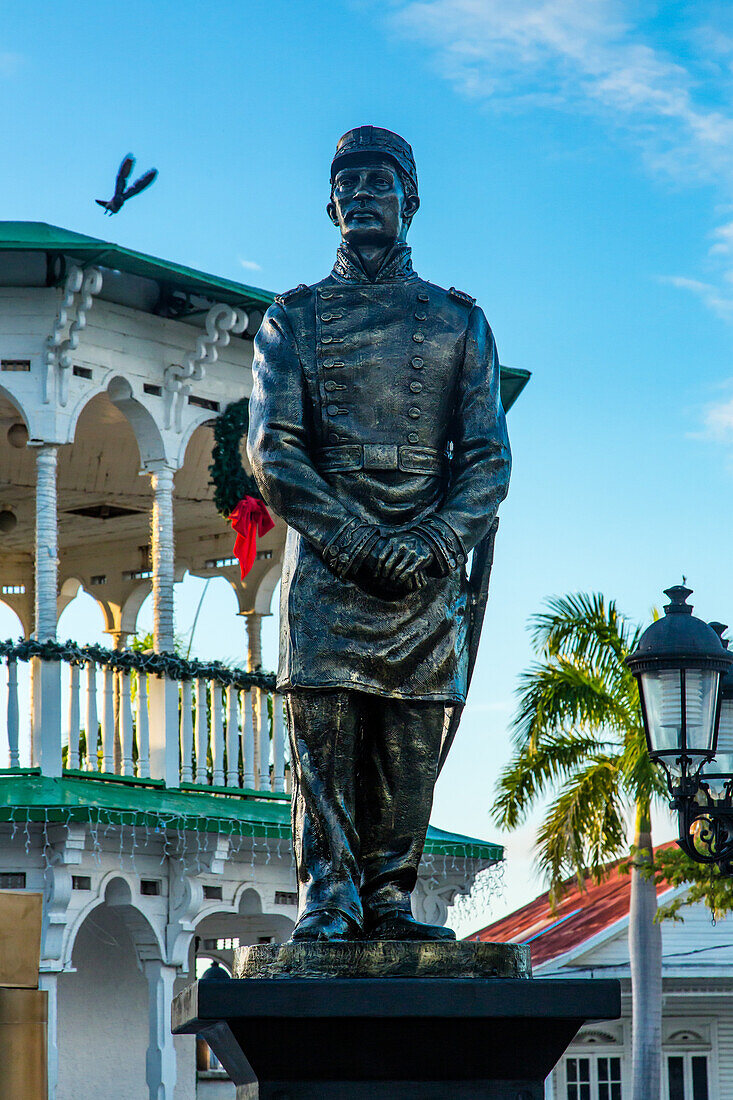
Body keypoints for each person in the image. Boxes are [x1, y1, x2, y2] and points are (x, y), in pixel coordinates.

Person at [247, 126, 511, 941]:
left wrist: (434, 543)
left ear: (410, 198)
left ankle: (391, 898)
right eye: (349, 183)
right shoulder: (291, 318)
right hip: (333, 562)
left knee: (408, 741)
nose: (362, 195)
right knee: (324, 735)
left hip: (423, 571)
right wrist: (353, 541)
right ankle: (329, 896)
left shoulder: (458, 322)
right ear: (330, 203)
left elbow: (487, 458)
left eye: (379, 181)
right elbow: (272, 451)